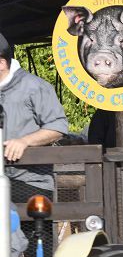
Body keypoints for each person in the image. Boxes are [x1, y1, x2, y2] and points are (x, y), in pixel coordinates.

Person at [0, 32, 70, 204]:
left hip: (32, 182)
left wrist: (24, 141)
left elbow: (58, 126)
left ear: (1, 63)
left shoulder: (35, 87)